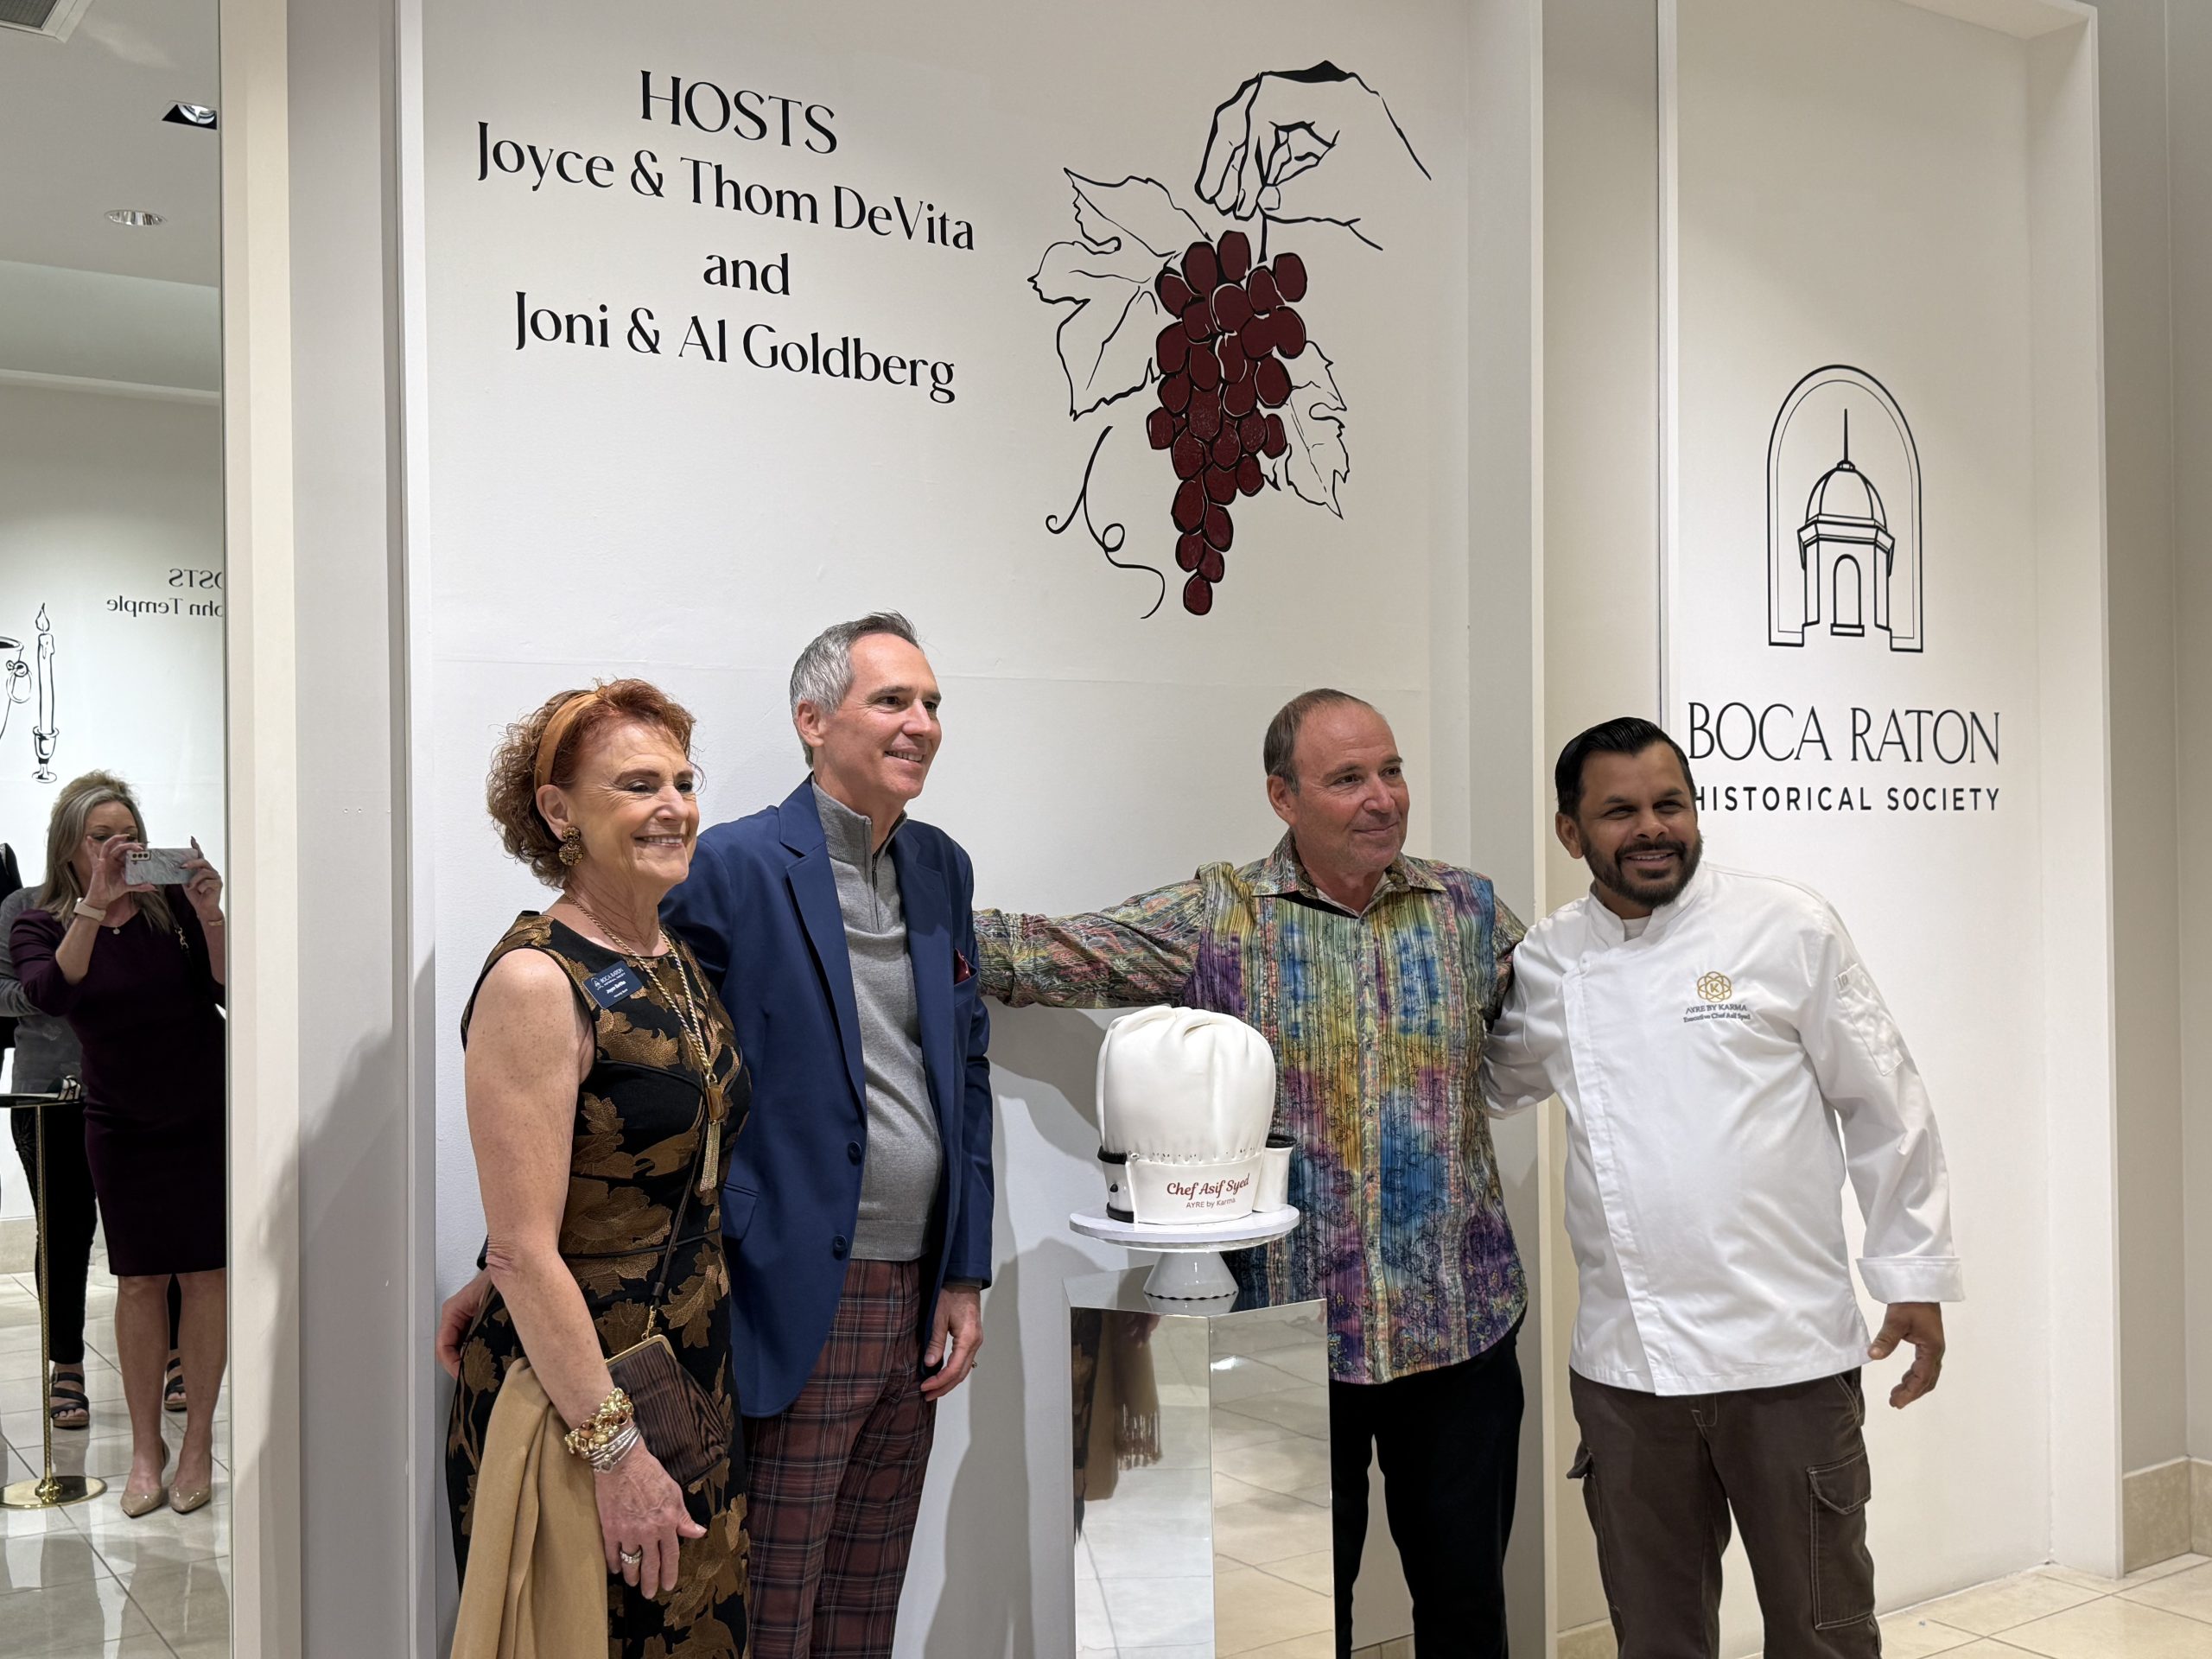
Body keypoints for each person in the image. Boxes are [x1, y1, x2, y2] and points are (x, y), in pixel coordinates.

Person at [976, 688, 1527, 1659]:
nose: (1382, 798)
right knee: (1292, 1624)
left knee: (1468, 1611)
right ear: (1283, 796)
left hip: (1458, 1327)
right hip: (1285, 1334)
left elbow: (1580, 1010)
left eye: (1391, 771)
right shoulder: (1219, 916)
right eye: (1347, 778)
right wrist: (888, 907)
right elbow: (1042, 954)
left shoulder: (1469, 911)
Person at [1479, 717, 1962, 1659]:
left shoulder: (1787, 926)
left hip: (1788, 1358)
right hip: (1629, 1370)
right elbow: (1489, 1082)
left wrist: (1912, 1273)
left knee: (1822, 1634)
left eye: (1671, 803)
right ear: (1570, 833)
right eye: (1619, 812)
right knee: (1657, 1638)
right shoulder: (1549, 960)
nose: (1652, 828)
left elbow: (1885, 1103)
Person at [659, 613, 994, 1659]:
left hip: (917, 1292)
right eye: (892, 700)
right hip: (794, 1284)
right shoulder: (731, 865)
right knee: (775, 1604)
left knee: (864, 1601)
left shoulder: (941, 867)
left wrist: (964, 1272)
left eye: (931, 703)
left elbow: (965, 1073)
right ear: (812, 720)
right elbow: (656, 1080)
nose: (921, 723)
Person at [435, 680, 751, 1655]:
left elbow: (605, 1182)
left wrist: (498, 1266)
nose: (674, 806)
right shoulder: (537, 981)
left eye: (684, 782)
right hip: (587, 1403)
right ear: (558, 810)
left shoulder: (666, 953)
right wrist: (616, 1454)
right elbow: (527, 1250)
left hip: (688, 1371)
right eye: (638, 784)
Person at [9, 772, 227, 1516]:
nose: (117, 848)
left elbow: (228, 988)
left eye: (128, 835)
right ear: (69, 846)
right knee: (138, 1281)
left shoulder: (171, 907)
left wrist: (212, 913)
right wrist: (96, 903)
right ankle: (145, 1450)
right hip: (119, 1119)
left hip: (202, 1109)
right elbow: (52, 993)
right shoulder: (39, 921)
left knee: (206, 1276)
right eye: (101, 837)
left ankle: (197, 1442)